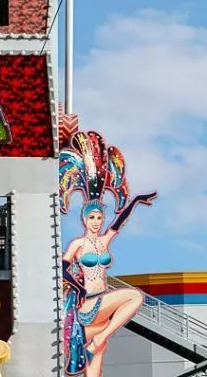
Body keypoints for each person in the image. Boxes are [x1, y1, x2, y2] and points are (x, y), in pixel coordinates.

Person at [60, 130, 157, 377]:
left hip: (102, 306)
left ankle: (100, 338)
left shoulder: (104, 242)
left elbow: (118, 221)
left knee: (97, 359)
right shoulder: (78, 244)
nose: (96, 221)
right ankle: (102, 335)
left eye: (99, 217)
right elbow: (61, 268)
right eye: (92, 217)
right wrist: (78, 287)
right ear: (84, 218)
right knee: (133, 296)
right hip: (89, 304)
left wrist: (135, 201)